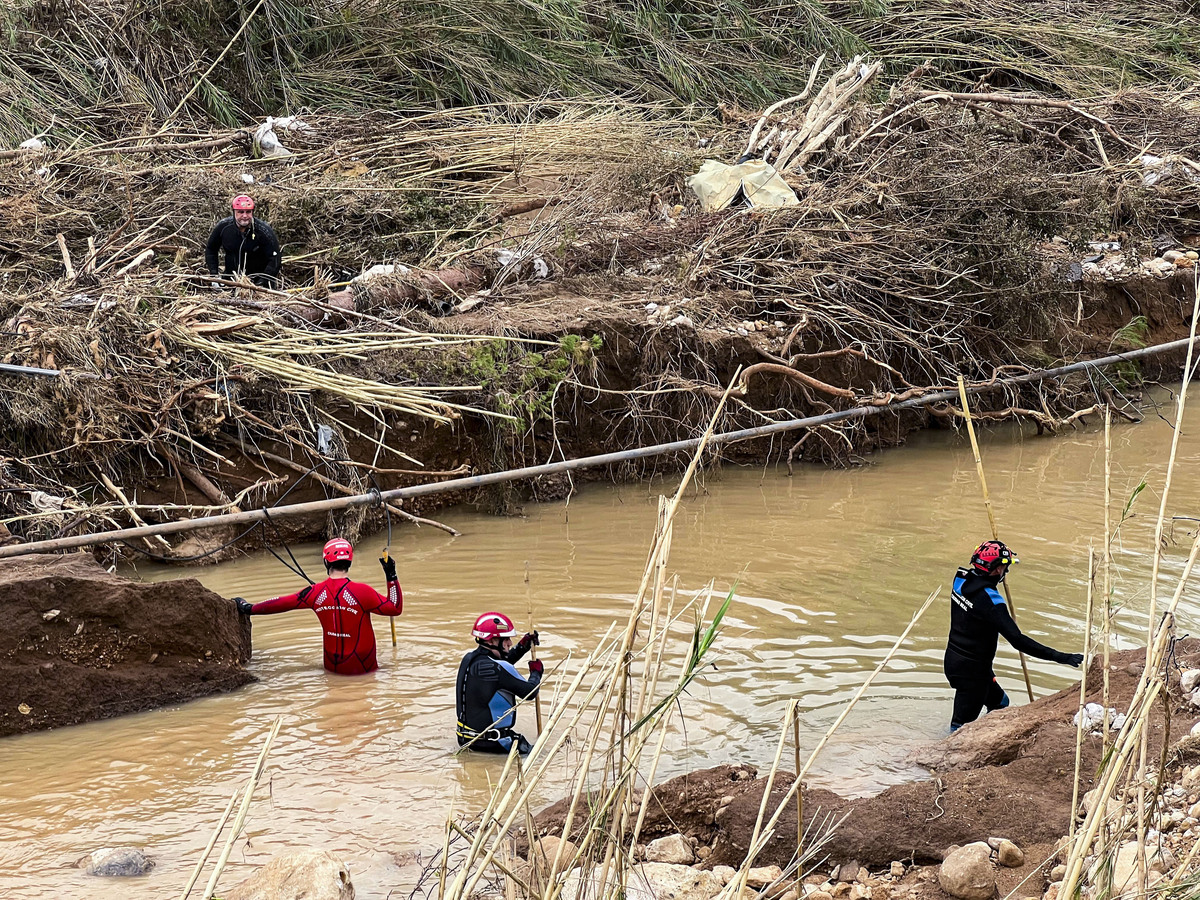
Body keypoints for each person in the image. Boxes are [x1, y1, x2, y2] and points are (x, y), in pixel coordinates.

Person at [945, 540, 1083, 731]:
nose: (1006, 572)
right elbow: (1018, 640)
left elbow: (979, 592)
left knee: (1000, 703)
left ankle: (985, 739)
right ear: (995, 569)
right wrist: (1059, 657)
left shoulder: (960, 580)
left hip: (956, 661)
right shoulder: (991, 602)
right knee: (959, 729)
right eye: (1004, 567)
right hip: (972, 674)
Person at [234, 538, 401, 675]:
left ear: (326, 561)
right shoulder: (363, 592)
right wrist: (391, 575)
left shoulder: (314, 593)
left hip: (331, 668)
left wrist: (249, 608)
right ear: (349, 561)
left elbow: (280, 603)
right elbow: (395, 607)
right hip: (364, 670)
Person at [456, 612, 542, 754]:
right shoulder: (497, 669)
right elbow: (530, 692)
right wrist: (536, 673)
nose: (510, 643)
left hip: (465, 740)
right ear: (491, 641)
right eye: (505, 638)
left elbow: (498, 671)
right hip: (493, 744)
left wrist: (522, 647)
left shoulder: (469, 659)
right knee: (541, 757)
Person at [205, 195, 282, 288]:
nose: (245, 216)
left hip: (259, 284)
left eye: (248, 212)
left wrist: (262, 282)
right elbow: (211, 249)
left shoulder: (263, 231)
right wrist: (214, 276)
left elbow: (275, 258)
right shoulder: (223, 227)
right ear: (234, 212)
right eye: (241, 212)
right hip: (231, 281)